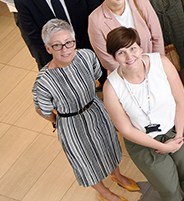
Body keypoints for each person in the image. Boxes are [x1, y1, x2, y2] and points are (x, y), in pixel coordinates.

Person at [33, 19, 138, 201]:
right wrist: (56, 121)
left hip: (96, 109)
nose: (65, 49)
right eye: (57, 46)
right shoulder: (43, 81)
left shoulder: (86, 56)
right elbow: (42, 110)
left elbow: (97, 78)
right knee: (85, 161)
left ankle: (117, 175)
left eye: (68, 43)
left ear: (74, 41)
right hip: (70, 123)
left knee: (109, 145)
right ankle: (105, 193)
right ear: (48, 48)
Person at [103, 27, 184, 201]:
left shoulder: (161, 62)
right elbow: (125, 129)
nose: (129, 56)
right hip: (144, 141)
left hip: (177, 126)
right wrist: (163, 147)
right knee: (167, 186)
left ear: (140, 48)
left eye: (132, 48)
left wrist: (178, 135)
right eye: (121, 52)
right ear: (113, 57)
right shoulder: (111, 87)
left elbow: (179, 100)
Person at [88, 0, 164, 72]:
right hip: (123, 76)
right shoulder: (95, 19)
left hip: (153, 67)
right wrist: (133, 75)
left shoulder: (141, 2)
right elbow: (107, 59)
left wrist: (156, 66)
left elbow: (157, 38)